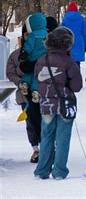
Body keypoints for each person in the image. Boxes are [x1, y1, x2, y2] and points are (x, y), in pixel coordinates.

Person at [33, 27, 83, 180]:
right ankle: (59, 171)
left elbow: (38, 80)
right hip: (64, 105)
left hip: (46, 104)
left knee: (46, 137)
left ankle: (42, 170)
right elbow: (77, 86)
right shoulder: (69, 62)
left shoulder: (41, 60)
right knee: (62, 138)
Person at [6, 25, 41, 163]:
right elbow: (10, 72)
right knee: (31, 122)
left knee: (44, 121)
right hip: (24, 95)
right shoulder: (15, 56)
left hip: (41, 94)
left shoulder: (43, 54)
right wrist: (20, 82)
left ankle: (48, 147)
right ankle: (36, 149)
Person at [19, 13, 48, 96]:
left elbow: (29, 46)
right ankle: (35, 91)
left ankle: (25, 83)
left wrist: (24, 53)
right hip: (44, 60)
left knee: (29, 73)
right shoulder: (47, 35)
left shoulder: (33, 35)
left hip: (32, 58)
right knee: (38, 76)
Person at [61, 1, 86, 67]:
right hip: (79, 44)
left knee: (67, 66)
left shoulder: (65, 19)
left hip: (68, 44)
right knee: (77, 66)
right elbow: (84, 34)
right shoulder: (81, 19)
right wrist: (85, 46)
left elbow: (61, 33)